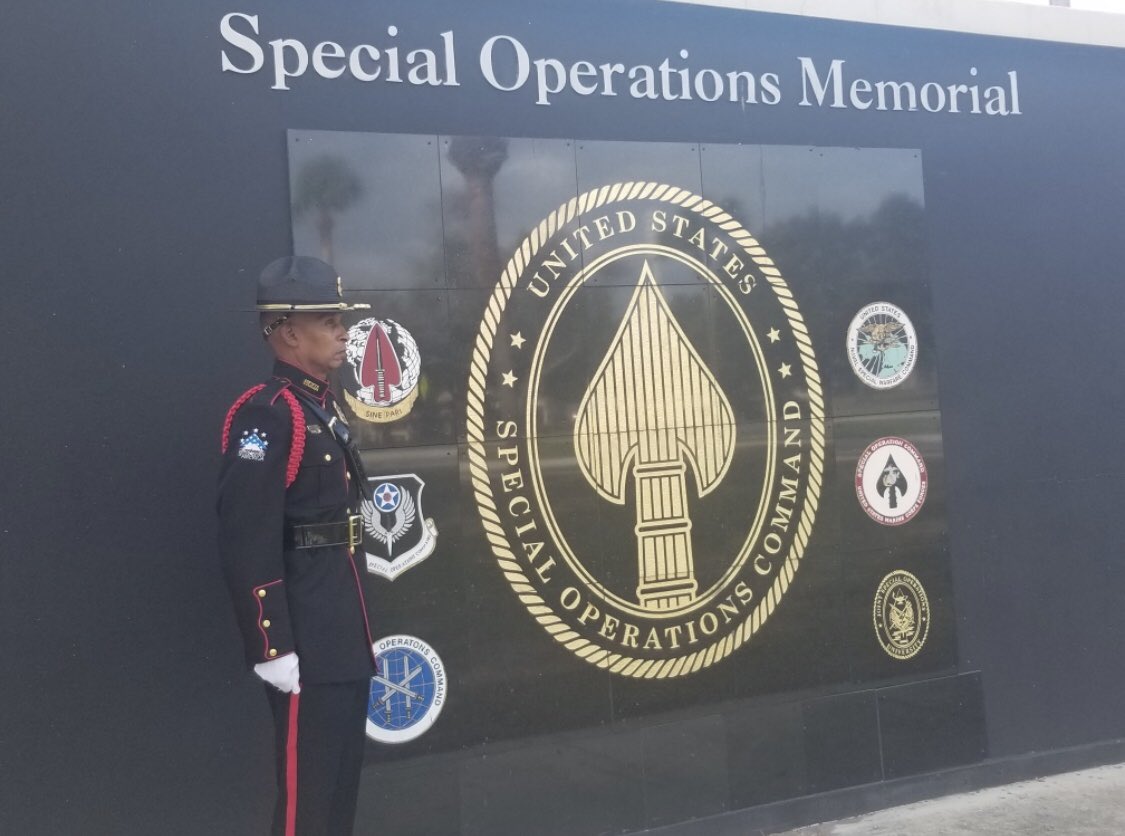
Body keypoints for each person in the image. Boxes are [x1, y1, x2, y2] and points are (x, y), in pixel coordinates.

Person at [217, 255, 376, 836]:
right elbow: (246, 537)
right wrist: (272, 645)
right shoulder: (269, 414)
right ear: (287, 332)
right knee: (304, 806)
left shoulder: (320, 407)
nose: (342, 331)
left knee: (337, 792)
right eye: (327, 320)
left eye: (341, 319)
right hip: (303, 639)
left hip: (338, 628)